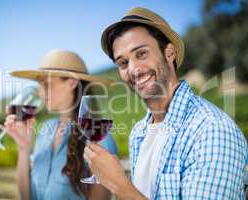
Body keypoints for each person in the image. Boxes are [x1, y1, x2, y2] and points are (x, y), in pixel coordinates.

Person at [83, 7, 248, 200]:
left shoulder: (211, 130)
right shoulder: (139, 132)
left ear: (169, 53)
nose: (134, 69)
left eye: (141, 54)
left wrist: (118, 184)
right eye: (123, 63)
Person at [2, 49, 117, 200]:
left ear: (72, 83)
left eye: (47, 84)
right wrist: (23, 149)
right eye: (39, 85)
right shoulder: (45, 130)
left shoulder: (99, 137)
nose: (41, 93)